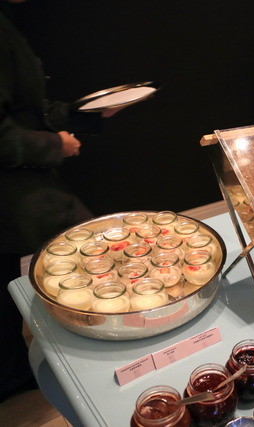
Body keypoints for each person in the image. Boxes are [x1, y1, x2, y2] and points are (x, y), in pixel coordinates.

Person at [0, 1, 117, 402]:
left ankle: (11, 373)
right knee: (93, 254)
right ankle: (100, 372)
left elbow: (27, 112)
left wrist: (85, 115)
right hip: (13, 186)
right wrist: (55, 145)